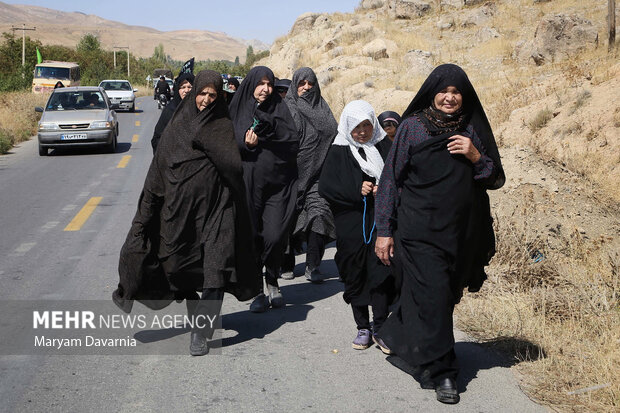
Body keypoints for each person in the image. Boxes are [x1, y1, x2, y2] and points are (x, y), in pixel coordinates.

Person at [374, 64, 505, 404]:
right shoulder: (412, 129)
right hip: (418, 231)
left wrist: (476, 156)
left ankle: (399, 334)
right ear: (432, 93)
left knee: (444, 297)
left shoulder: (472, 130)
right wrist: (384, 231)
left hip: (460, 234)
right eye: (444, 91)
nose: (450, 97)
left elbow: (494, 178)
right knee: (433, 295)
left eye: (456, 92)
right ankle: (444, 372)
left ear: (465, 96)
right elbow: (391, 181)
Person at [113, 70, 262, 356]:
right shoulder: (177, 126)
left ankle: (201, 333)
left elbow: (233, 167)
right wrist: (145, 215)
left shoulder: (221, 126)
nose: (206, 100)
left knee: (215, 271)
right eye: (202, 93)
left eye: (212, 95)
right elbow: (158, 172)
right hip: (179, 216)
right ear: (194, 94)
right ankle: (198, 315)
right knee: (181, 272)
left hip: (219, 212)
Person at [318, 100, 395, 353]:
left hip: (381, 222)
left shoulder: (385, 146)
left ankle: (381, 327)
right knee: (355, 272)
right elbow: (327, 187)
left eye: (367, 125)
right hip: (350, 225)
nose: (362, 131)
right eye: (356, 126)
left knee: (382, 270)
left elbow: (400, 178)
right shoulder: (339, 150)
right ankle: (363, 326)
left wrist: (381, 190)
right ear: (347, 127)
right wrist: (356, 191)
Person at [228, 66, 299, 313]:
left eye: (270, 84)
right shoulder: (238, 110)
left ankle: (272, 275)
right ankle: (259, 288)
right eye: (261, 84)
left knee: (275, 235)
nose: (266, 89)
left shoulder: (280, 109)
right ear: (251, 85)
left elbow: (291, 142)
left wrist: (267, 139)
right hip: (247, 186)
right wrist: (246, 145)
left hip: (277, 186)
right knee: (252, 237)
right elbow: (227, 144)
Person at [281, 67, 337, 283]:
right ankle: (286, 264)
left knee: (320, 215)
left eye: (310, 84)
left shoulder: (323, 108)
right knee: (286, 220)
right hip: (289, 177)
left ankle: (313, 265)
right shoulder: (287, 109)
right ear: (295, 85)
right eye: (301, 83)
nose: (306, 88)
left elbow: (334, 136)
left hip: (319, 177)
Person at [151, 72, 195, 153]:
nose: (186, 90)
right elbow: (157, 138)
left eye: (190, 87)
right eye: (183, 87)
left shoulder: (200, 110)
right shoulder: (170, 111)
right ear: (178, 89)